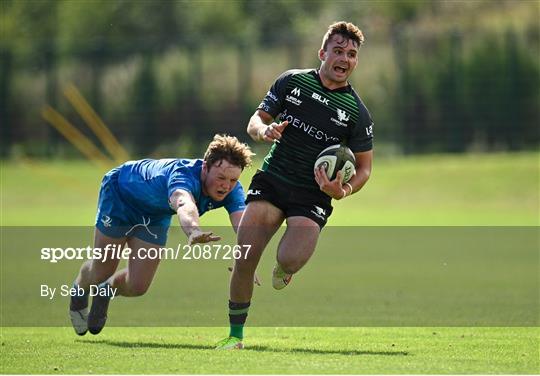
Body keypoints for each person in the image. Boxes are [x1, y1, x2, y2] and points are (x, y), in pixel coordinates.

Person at [215, 21, 374, 350]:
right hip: (273, 180)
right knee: (245, 257)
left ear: (356, 62)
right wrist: (264, 132)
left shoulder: (357, 113)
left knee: (291, 259)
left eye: (352, 54)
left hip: (312, 195)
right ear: (323, 53)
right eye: (338, 51)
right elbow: (255, 121)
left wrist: (342, 191)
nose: (344, 58)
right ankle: (235, 337)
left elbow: (365, 168)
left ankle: (284, 269)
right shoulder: (292, 81)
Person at [69, 134, 254, 336]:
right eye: (220, 178)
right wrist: (193, 230)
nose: (226, 185)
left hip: (155, 214)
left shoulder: (233, 190)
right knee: (102, 269)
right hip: (120, 196)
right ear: (204, 168)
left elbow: (243, 225)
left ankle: (104, 292)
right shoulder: (183, 175)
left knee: (138, 285)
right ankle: (79, 289)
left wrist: (248, 262)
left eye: (233, 180)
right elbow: (184, 203)